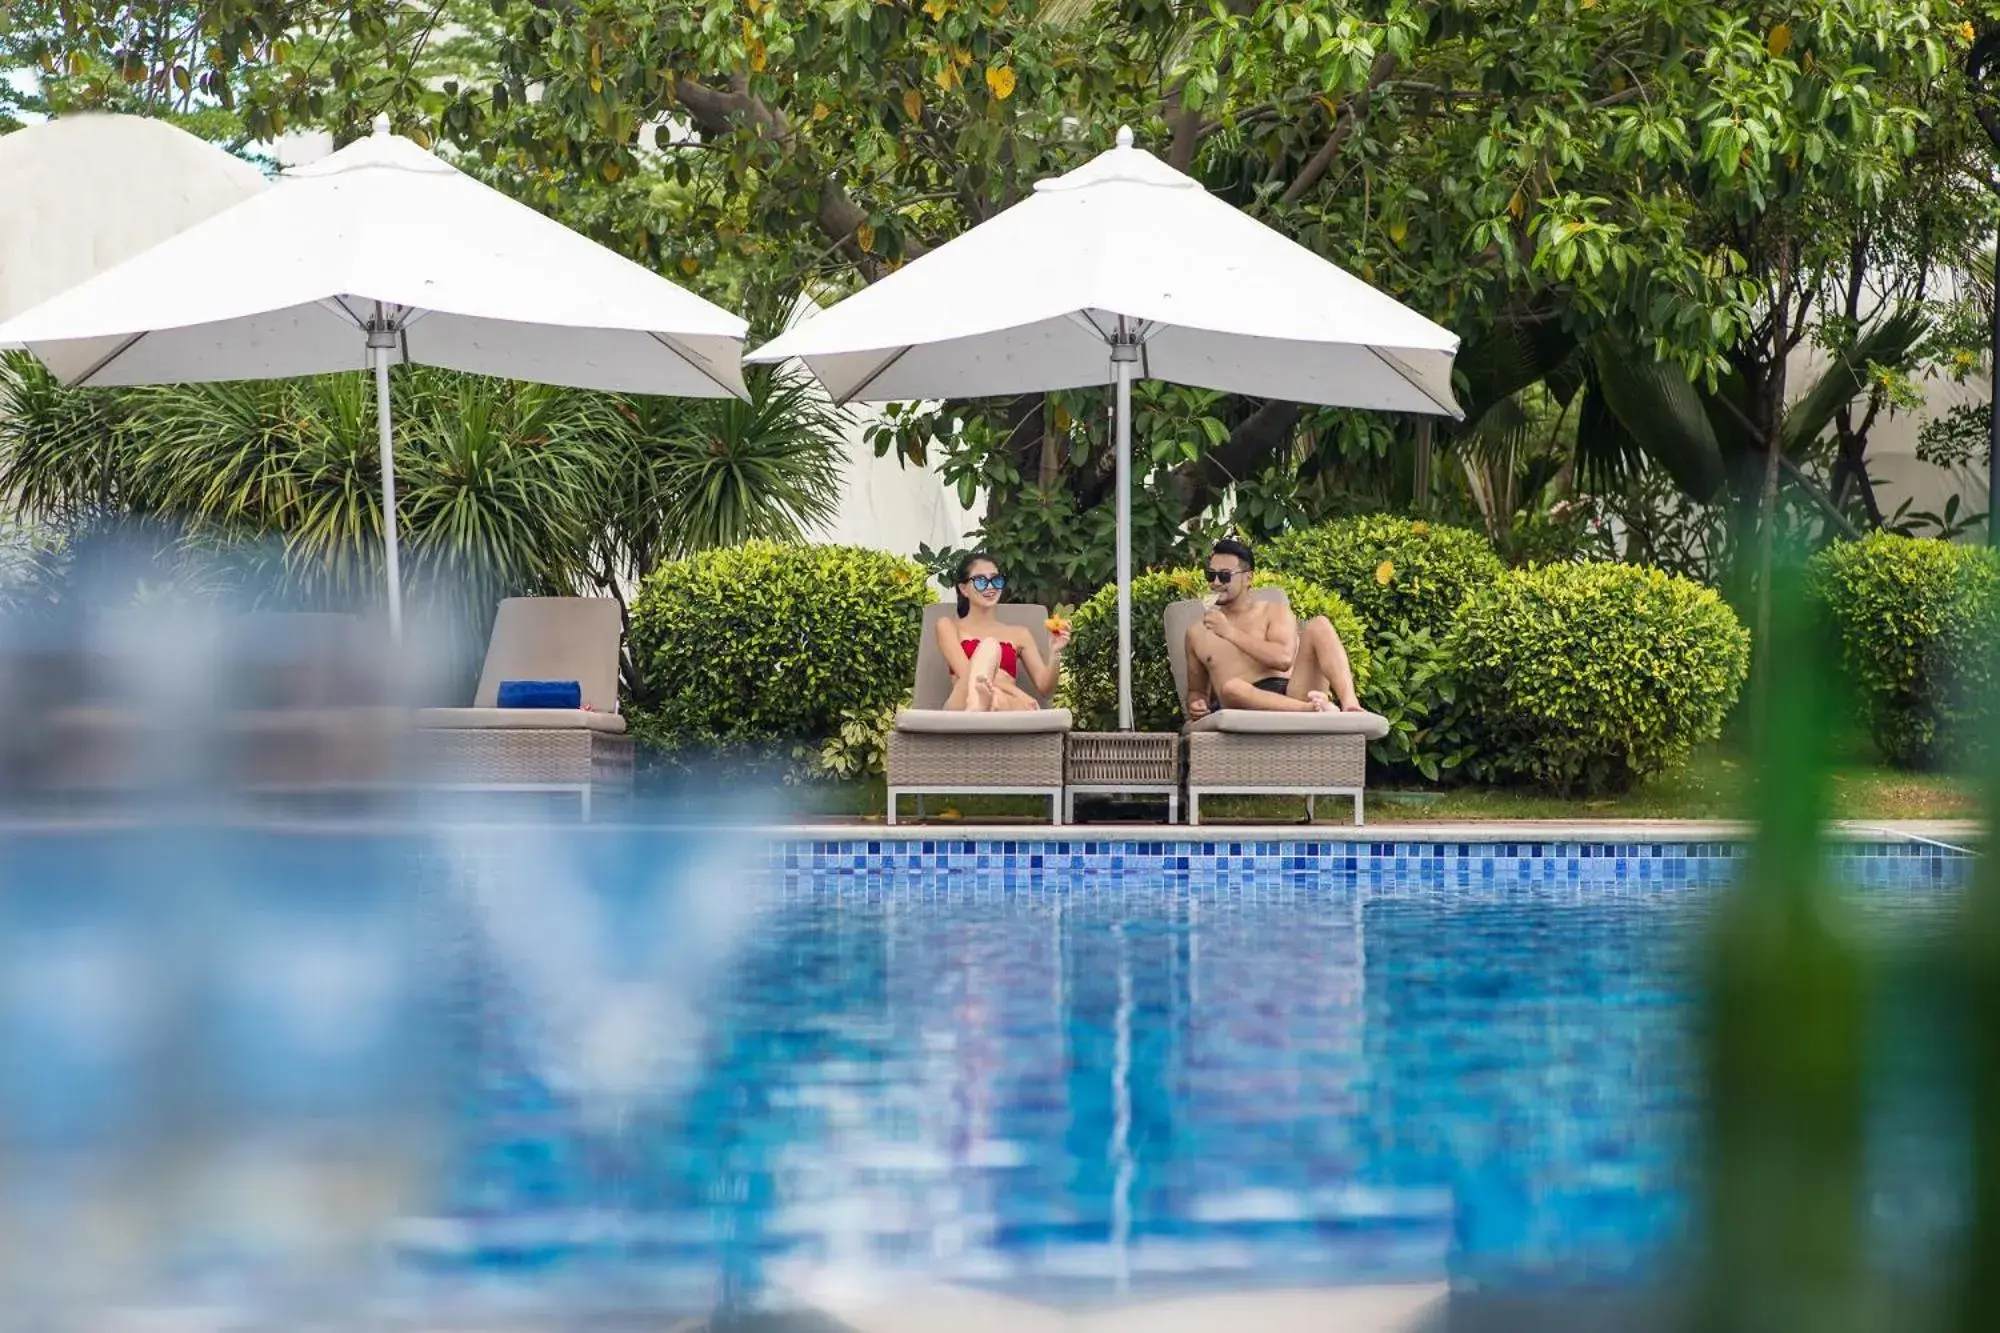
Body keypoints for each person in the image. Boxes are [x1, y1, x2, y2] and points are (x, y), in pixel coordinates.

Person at [1184, 537, 1363, 718]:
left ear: (1248, 578)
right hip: (1244, 704)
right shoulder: (1196, 633)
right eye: (1210, 575)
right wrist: (1196, 702)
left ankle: (1351, 706)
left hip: (1295, 691)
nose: (1215, 583)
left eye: (1224, 575)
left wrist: (1229, 632)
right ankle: (1312, 710)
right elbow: (1197, 690)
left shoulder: (1274, 611)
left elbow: (1283, 659)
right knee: (1231, 688)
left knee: (1320, 625)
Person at [939, 552, 1068, 711]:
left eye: (995, 580)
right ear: (963, 589)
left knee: (998, 699)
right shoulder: (948, 626)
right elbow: (967, 671)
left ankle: (983, 705)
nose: (990, 586)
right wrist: (1018, 693)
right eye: (980, 581)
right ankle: (978, 702)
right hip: (961, 702)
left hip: (1003, 705)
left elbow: (1046, 689)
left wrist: (1055, 653)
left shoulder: (1020, 633)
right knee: (990, 646)